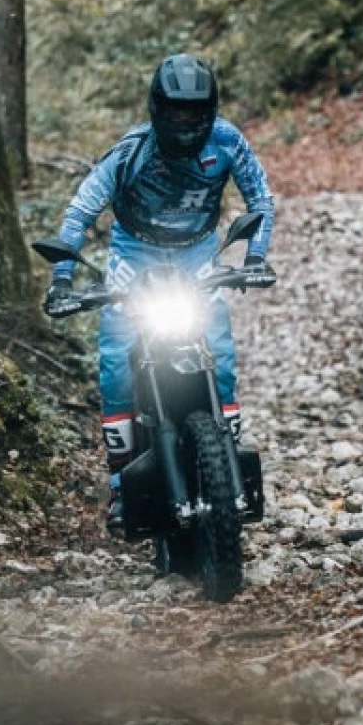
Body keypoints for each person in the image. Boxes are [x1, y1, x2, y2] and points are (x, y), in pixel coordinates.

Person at [45, 53, 276, 531]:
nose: (185, 123)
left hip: (198, 253)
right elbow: (80, 212)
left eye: (195, 112)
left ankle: (226, 460)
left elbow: (260, 198)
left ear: (210, 110)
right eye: (175, 112)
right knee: (115, 363)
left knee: (221, 357)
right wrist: (62, 279)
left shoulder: (227, 142)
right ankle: (119, 485)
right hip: (135, 256)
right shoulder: (130, 152)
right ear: (157, 109)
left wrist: (255, 257)